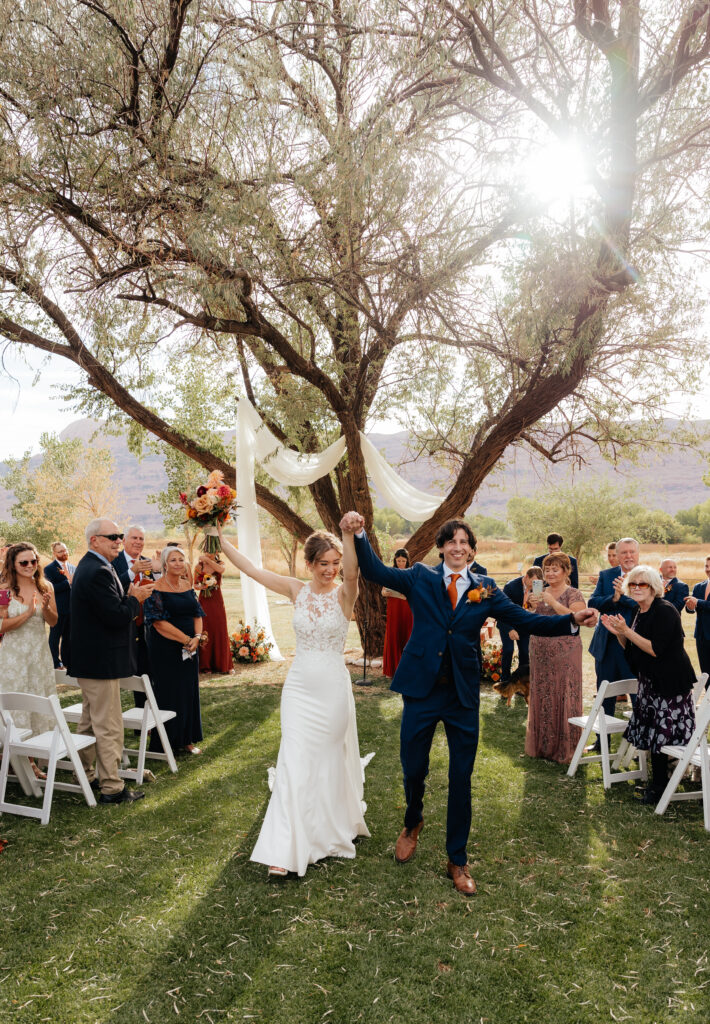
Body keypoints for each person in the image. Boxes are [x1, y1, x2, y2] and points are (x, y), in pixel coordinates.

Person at [344, 513, 596, 896]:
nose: (458, 547)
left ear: (472, 550)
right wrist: (359, 534)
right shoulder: (419, 577)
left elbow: (527, 620)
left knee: (461, 778)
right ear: (442, 547)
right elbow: (375, 570)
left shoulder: (487, 588)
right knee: (413, 767)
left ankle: (457, 859)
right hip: (422, 691)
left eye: (465, 542)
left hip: (462, 694)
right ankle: (413, 822)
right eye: (451, 541)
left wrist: (572, 619)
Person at [216, 521, 369, 878]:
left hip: (332, 689)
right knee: (294, 759)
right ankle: (284, 850)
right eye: (323, 563)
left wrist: (347, 536)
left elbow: (352, 573)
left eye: (335, 562)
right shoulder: (295, 590)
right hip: (299, 689)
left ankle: (328, 827)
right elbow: (251, 569)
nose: (331, 570)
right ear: (309, 565)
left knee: (326, 760)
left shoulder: (345, 593)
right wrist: (220, 539)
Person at [71, 518, 153, 803]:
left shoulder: (94, 566)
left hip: (93, 660)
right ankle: (112, 787)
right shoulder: (97, 571)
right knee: (109, 725)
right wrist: (136, 599)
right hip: (101, 661)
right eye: (113, 536)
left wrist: (128, 597)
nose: (119, 540)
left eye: (120, 536)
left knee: (90, 722)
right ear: (94, 540)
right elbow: (116, 616)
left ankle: (84, 773)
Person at [602, 566, 696, 804]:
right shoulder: (638, 610)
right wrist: (619, 634)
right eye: (633, 584)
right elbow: (634, 648)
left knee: (662, 735)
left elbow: (655, 649)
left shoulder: (665, 611)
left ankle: (660, 787)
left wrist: (626, 631)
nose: (636, 588)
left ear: (654, 587)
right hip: (650, 681)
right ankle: (658, 784)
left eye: (642, 584)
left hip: (669, 683)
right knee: (655, 733)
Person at [0, 542, 59, 778]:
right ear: (13, 565)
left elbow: (54, 622)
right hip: (13, 658)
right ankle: (12, 756)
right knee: (14, 706)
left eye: (33, 561)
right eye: (23, 562)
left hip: (39, 655)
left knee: (36, 703)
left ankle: (31, 760)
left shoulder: (46, 586)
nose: (30, 566)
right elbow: (1, 624)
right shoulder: (4, 589)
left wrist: (44, 609)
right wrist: (26, 614)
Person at [143, 547, 205, 757]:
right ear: (164, 564)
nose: (178, 563)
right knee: (169, 693)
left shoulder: (187, 585)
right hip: (166, 650)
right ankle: (166, 742)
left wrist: (196, 638)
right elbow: (159, 623)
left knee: (188, 691)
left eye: (181, 559)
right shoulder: (156, 588)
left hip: (190, 649)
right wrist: (186, 639)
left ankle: (187, 739)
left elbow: (197, 613)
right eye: (173, 560)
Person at [525, 553, 586, 764]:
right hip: (539, 650)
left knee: (564, 693)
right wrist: (531, 606)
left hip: (565, 652)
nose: (550, 573)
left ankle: (566, 749)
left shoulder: (574, 593)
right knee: (542, 693)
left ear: (566, 571)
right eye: (547, 569)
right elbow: (529, 617)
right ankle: (542, 747)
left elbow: (578, 619)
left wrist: (552, 602)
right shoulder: (538, 590)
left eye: (555, 569)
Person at [588, 537, 641, 722]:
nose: (628, 556)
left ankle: (641, 744)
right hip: (607, 645)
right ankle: (602, 740)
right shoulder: (606, 575)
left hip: (635, 646)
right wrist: (614, 598)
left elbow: (646, 605)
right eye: (624, 552)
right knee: (605, 695)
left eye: (632, 552)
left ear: (638, 554)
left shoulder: (648, 576)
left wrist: (623, 596)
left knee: (638, 695)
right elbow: (593, 602)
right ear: (617, 555)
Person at [497, 566, 543, 687]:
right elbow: (501, 611)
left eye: (537, 583)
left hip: (523, 624)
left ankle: (521, 683)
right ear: (526, 577)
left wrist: (533, 606)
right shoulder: (510, 587)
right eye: (533, 582)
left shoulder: (536, 589)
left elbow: (534, 610)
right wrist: (510, 629)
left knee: (524, 652)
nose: (535, 585)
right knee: (508, 650)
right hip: (507, 623)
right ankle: (505, 682)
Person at [195, 552, 233, 674]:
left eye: (211, 551)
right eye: (206, 551)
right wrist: (201, 586)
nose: (208, 553)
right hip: (204, 600)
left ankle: (223, 664)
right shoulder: (199, 566)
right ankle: (205, 665)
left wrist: (208, 560)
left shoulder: (220, 564)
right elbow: (194, 584)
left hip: (216, 600)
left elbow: (221, 570)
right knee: (205, 628)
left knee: (219, 628)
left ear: (216, 552)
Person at [382, 549, 414, 678]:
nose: (401, 563)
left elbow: (412, 593)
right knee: (393, 633)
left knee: (407, 633)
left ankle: (407, 669)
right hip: (393, 608)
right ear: (395, 560)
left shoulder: (411, 573)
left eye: (403, 561)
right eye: (398, 560)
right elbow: (382, 591)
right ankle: (392, 669)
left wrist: (403, 596)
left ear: (407, 561)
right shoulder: (390, 573)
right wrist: (387, 593)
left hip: (406, 608)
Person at [44, 541, 75, 672]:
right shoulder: (49, 569)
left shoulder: (74, 568)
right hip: (58, 609)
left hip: (72, 608)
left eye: (65, 550)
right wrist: (68, 582)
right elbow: (50, 589)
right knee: (55, 637)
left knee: (69, 637)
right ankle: (55, 663)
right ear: (54, 554)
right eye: (61, 551)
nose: (64, 553)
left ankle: (68, 662)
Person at [684, 555, 710, 684]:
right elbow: (691, 609)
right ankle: (708, 702)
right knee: (705, 672)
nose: (708, 569)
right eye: (706, 566)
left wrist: (697, 602)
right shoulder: (699, 586)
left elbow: (699, 603)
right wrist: (690, 607)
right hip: (701, 635)